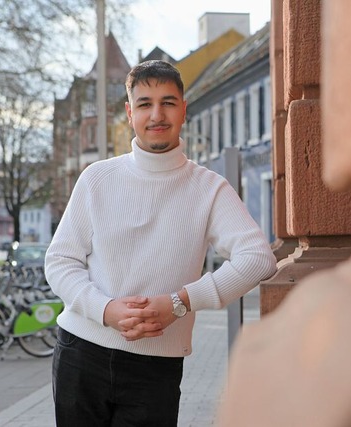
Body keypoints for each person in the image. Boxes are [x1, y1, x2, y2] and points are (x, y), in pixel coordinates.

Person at [45, 59, 277, 427]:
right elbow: (60, 261)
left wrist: (180, 304)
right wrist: (106, 310)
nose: (157, 114)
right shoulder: (97, 179)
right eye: (145, 104)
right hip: (81, 351)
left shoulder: (209, 188)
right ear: (129, 112)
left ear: (184, 109)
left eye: (168, 102)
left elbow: (258, 259)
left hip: (156, 365)